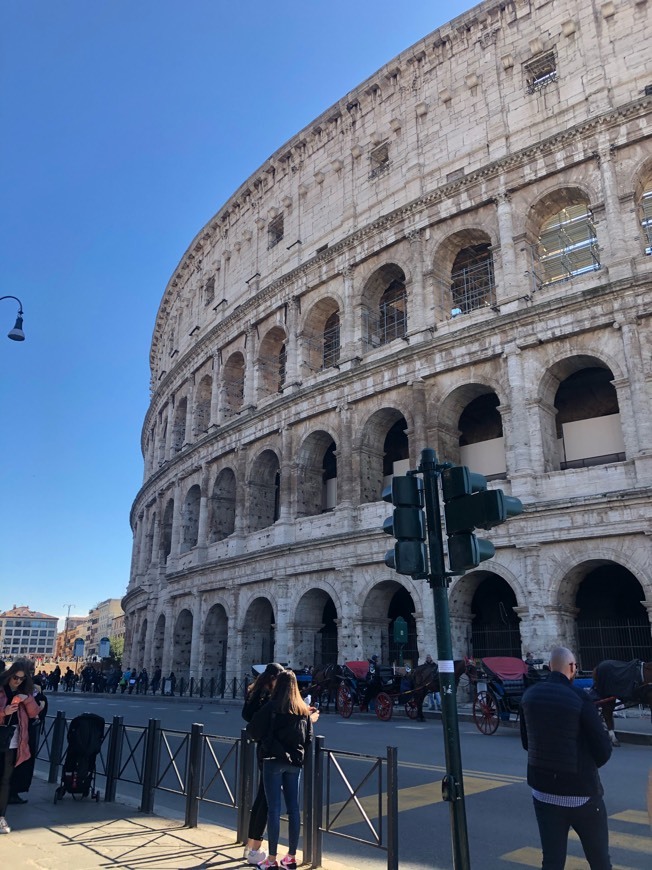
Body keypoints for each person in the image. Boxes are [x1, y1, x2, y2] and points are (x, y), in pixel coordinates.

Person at [520, 646, 613, 870]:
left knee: (552, 861)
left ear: (550, 666)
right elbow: (603, 750)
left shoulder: (529, 695)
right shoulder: (580, 698)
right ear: (572, 668)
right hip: (581, 794)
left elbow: (526, 743)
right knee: (599, 860)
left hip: (543, 794)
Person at [246, 670, 317, 869]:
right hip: (294, 765)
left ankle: (271, 860)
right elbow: (308, 738)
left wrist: (269, 742)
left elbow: (253, 730)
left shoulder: (272, 707)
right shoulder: (303, 709)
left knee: (274, 810)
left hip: (273, 761)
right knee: (294, 810)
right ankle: (291, 857)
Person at [241, 663, 286, 866]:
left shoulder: (255, 693)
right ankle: (254, 849)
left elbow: (247, 716)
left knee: (262, 798)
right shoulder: (268, 699)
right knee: (267, 801)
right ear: (274, 678)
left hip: (262, 748)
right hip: (271, 751)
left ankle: (251, 845)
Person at [0, 661, 41, 834]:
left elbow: (34, 713)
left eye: (22, 680)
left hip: (13, 739)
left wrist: (28, 699)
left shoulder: (24, 694)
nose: (17, 682)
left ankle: (1, 817)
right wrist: (4, 712)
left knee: (5, 780)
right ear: (9, 674)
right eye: (15, 677)